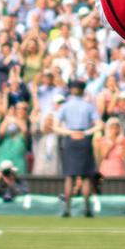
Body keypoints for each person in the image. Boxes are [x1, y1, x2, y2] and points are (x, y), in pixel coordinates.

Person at [54, 79, 102, 217]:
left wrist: (70, 133)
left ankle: (67, 209)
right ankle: (87, 208)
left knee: (69, 176)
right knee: (86, 176)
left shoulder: (65, 106)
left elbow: (56, 126)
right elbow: (99, 125)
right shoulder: (89, 106)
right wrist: (85, 132)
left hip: (71, 140)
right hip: (84, 139)